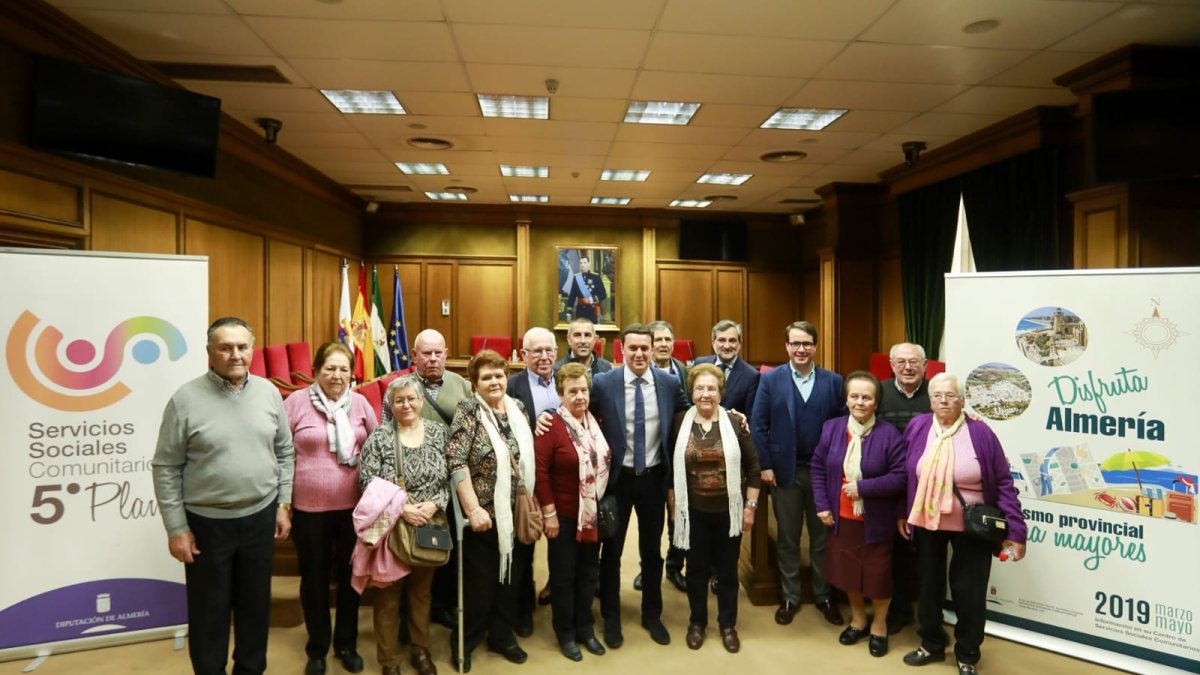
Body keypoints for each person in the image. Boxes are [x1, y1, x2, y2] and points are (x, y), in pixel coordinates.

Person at [152, 317, 294, 675]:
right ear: (209, 352)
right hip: (205, 526)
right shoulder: (185, 399)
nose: (235, 354)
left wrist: (282, 502)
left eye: (242, 346)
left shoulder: (269, 392)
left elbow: (285, 451)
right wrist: (176, 527)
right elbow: (166, 466)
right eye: (225, 347)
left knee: (254, 608)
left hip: (260, 519)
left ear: (252, 349)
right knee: (208, 614)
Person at [901, 373, 1027, 675]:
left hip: (973, 525)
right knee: (929, 587)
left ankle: (967, 653)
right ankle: (931, 643)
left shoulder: (981, 434)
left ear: (962, 400)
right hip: (927, 520)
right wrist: (901, 513)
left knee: (968, 591)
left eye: (950, 395)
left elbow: (1003, 482)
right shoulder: (918, 427)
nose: (943, 401)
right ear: (930, 400)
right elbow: (907, 476)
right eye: (937, 396)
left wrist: (1017, 529)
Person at [589, 323, 689, 648]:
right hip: (618, 480)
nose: (639, 354)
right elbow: (579, 412)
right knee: (613, 552)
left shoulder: (669, 382)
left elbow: (690, 413)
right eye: (633, 348)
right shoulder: (604, 383)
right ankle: (612, 618)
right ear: (621, 349)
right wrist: (549, 415)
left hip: (653, 479)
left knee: (651, 550)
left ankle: (652, 614)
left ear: (653, 349)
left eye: (645, 348)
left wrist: (728, 415)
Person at [284, 342, 378, 675]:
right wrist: (283, 504)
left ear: (352, 373)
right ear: (316, 370)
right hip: (309, 510)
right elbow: (281, 456)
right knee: (314, 579)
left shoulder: (362, 403)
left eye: (343, 369)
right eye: (330, 368)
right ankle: (318, 647)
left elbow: (377, 448)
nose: (337, 375)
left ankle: (346, 643)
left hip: (354, 510)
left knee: (351, 578)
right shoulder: (295, 403)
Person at [750, 320, 846, 627]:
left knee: (822, 540)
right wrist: (765, 465)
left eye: (806, 343)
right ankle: (790, 596)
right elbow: (759, 424)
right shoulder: (770, 380)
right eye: (795, 343)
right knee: (789, 539)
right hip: (784, 473)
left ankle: (823, 596)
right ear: (787, 346)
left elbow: (844, 427)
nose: (801, 349)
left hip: (823, 475)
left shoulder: (834, 382)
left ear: (815, 347)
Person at [447, 350, 536, 672]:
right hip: (484, 516)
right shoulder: (468, 411)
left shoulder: (519, 409)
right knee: (480, 584)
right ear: (475, 384)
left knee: (511, 579)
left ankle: (502, 635)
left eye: (499, 375)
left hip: (517, 512)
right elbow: (456, 462)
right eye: (486, 377)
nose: (494, 381)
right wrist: (473, 509)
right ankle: (467, 639)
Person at [358, 375, 450, 675]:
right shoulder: (380, 438)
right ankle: (389, 661)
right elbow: (367, 484)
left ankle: (420, 651)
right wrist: (403, 509)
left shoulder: (439, 433)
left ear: (421, 401)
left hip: (430, 524)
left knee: (422, 594)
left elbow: (453, 475)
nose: (406, 404)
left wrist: (436, 502)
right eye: (399, 400)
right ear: (391, 404)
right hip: (391, 527)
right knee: (388, 596)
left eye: (412, 398)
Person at [810, 371, 906, 658]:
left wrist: (864, 487)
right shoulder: (832, 428)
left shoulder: (890, 434)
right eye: (854, 396)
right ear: (846, 399)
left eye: (867, 397)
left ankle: (878, 625)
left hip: (876, 520)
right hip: (841, 518)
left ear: (876, 402)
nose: (860, 402)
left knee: (878, 576)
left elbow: (901, 476)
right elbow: (817, 467)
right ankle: (858, 619)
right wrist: (822, 504)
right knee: (849, 572)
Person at [669, 364, 760, 654]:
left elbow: (754, 468)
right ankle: (697, 623)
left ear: (721, 392)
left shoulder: (735, 422)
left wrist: (750, 507)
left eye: (711, 388)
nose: (705, 394)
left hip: (729, 512)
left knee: (727, 572)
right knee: (695, 570)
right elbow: (672, 471)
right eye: (699, 388)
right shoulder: (680, 421)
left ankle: (727, 625)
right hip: (693, 511)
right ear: (691, 392)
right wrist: (674, 508)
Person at [534, 362, 611, 662]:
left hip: (591, 513)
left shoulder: (595, 422)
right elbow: (541, 472)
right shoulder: (550, 426)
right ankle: (565, 633)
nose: (579, 396)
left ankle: (586, 628)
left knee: (589, 573)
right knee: (564, 576)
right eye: (572, 391)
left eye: (583, 390)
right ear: (560, 394)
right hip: (564, 516)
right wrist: (549, 514)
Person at [410, 328, 471, 629]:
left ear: (447, 354)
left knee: (451, 544)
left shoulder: (462, 386)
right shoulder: (400, 387)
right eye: (426, 353)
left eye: (438, 353)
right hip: (415, 487)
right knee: (417, 547)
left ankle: (444, 604)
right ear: (414, 356)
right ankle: (414, 610)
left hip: (454, 482)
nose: (433, 359)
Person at [505, 326, 561, 637]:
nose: (543, 356)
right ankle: (523, 609)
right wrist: (531, 423)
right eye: (535, 351)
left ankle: (559, 595)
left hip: (561, 477)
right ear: (524, 354)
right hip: (525, 478)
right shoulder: (511, 386)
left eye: (548, 350)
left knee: (560, 540)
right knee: (525, 542)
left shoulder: (567, 380)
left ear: (556, 352)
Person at [879, 342, 931, 635]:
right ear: (891, 364)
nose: (908, 368)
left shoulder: (936, 395)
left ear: (925, 365)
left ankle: (928, 615)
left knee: (928, 556)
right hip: (890, 487)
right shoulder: (880, 392)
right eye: (901, 362)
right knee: (894, 554)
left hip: (930, 489)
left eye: (914, 362)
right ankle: (899, 611)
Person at [647, 319, 689, 593]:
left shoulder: (686, 372)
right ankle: (646, 568)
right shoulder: (640, 372)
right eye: (658, 340)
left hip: (680, 455)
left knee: (679, 515)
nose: (663, 344)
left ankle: (674, 567)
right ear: (650, 345)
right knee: (651, 520)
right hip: (650, 456)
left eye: (667, 339)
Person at [693, 320, 759, 416]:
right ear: (713, 342)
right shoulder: (700, 364)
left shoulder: (751, 376)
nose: (727, 346)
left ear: (739, 344)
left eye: (732, 340)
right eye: (722, 340)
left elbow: (751, 416)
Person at [564, 255, 607, 323]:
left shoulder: (596, 277)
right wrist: (569, 313)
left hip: (592, 311)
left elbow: (603, 294)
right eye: (581, 263)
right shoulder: (576, 278)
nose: (582, 265)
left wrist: (590, 299)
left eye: (585, 262)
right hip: (580, 311)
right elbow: (572, 296)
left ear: (589, 264)